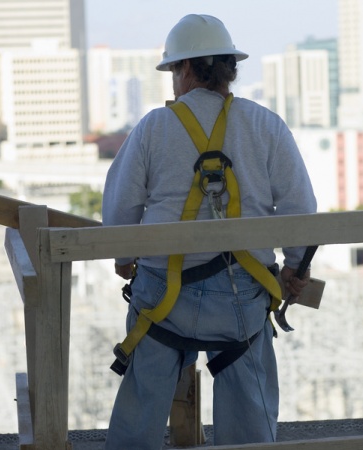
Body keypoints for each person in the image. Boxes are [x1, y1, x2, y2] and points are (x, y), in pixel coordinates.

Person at [101, 13, 317, 449]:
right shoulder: (266, 125)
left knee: (142, 405)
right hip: (242, 300)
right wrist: (296, 268)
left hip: (164, 303)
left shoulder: (152, 128)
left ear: (183, 69)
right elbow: (301, 210)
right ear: (228, 69)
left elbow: (119, 212)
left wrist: (125, 260)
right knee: (249, 418)